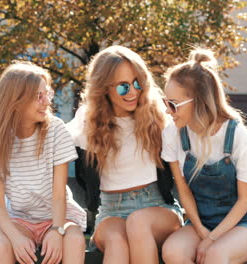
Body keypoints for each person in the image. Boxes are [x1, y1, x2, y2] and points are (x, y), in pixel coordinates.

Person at [67, 45, 182, 264]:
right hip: (111, 211)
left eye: (138, 83)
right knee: (118, 241)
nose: (133, 92)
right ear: (104, 89)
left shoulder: (156, 114)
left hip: (157, 207)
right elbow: (54, 140)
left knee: (138, 222)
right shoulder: (88, 119)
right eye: (123, 87)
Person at [160, 48, 247, 264]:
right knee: (172, 252)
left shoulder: (236, 134)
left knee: (215, 255)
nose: (167, 111)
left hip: (242, 222)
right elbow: (183, 190)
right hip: (201, 221)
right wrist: (201, 230)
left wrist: (212, 239)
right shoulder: (173, 133)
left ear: (198, 101)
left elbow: (245, 200)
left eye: (173, 104)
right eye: (165, 103)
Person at [0, 61, 86, 264]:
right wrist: (16, 238)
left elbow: (58, 195)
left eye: (48, 94)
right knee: (1, 245)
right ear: (15, 100)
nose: (46, 102)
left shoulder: (56, 130)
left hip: (58, 217)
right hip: (18, 220)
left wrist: (57, 229)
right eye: (39, 96)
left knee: (74, 240)